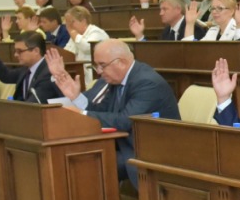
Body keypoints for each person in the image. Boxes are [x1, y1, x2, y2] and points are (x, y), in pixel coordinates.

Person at [44, 41, 180, 187]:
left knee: (87, 162)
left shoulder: (147, 82)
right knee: (74, 156)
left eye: (102, 65)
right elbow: (103, 112)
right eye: (96, 65)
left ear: (121, 62)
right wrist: (76, 98)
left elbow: (125, 121)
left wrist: (82, 113)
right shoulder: (118, 80)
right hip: (125, 143)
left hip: (151, 150)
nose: (98, 71)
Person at [0, 26, 60, 103]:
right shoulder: (27, 69)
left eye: (20, 51)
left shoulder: (48, 72)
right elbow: (6, 75)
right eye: (16, 51)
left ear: (36, 51)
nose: (16, 55)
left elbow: (34, 104)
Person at [129, 0, 209, 41]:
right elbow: (158, 53)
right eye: (160, 9)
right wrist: (139, 35)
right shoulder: (167, 31)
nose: (161, 13)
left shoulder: (194, 28)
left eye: (165, 9)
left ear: (178, 9)